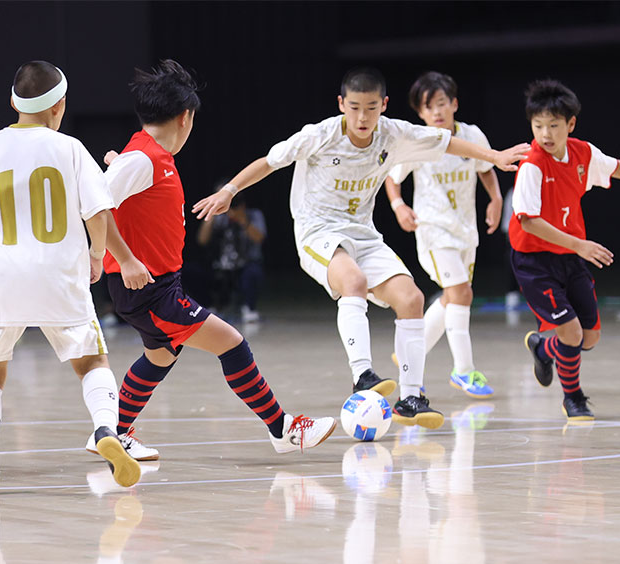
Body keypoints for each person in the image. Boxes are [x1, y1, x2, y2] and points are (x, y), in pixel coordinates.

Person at [193, 67, 526, 429]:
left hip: (363, 234)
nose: (362, 117)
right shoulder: (319, 135)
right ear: (341, 105)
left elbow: (443, 142)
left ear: (383, 104)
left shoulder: (393, 133)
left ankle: (411, 398)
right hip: (317, 231)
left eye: (370, 107)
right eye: (354, 108)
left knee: (412, 297)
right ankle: (362, 375)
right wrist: (230, 191)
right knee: (352, 281)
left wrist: (493, 157)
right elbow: (269, 162)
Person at [86, 59, 335, 460]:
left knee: (160, 356)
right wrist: (123, 258)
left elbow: (117, 191)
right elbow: (95, 204)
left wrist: (119, 167)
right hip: (149, 288)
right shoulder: (143, 159)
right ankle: (283, 429)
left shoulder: (143, 155)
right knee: (233, 344)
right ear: (186, 117)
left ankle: (112, 432)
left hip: (158, 285)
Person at [0, 60, 147, 494]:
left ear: (13, 102)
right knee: (91, 362)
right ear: (59, 105)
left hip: (1, 280)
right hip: (58, 275)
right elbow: (98, 209)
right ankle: (106, 431)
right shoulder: (69, 148)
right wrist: (98, 254)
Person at [515, 79, 620, 421]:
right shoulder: (532, 165)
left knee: (588, 338)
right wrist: (580, 244)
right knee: (572, 332)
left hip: (570, 257)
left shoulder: (582, 153)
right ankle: (573, 398)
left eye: (553, 126)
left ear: (570, 125)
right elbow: (528, 222)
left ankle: (542, 347)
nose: (545, 134)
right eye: (538, 126)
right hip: (535, 261)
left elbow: (616, 167)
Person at [384, 71, 503, 399]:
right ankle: (463, 371)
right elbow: (392, 178)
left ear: (453, 104)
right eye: (427, 107)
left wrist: (495, 198)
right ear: (420, 114)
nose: (435, 112)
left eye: (440, 104)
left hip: (466, 230)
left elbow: (487, 169)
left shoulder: (472, 135)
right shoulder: (419, 141)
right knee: (461, 293)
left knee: (454, 297)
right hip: (434, 230)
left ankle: (412, 354)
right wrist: (398, 206)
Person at [197, 190, 267, 323]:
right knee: (190, 272)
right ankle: (209, 307)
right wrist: (210, 216)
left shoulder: (253, 215)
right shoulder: (218, 217)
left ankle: (249, 308)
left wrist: (243, 220)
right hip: (220, 266)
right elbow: (202, 240)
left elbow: (259, 238)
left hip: (244, 265)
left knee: (253, 272)